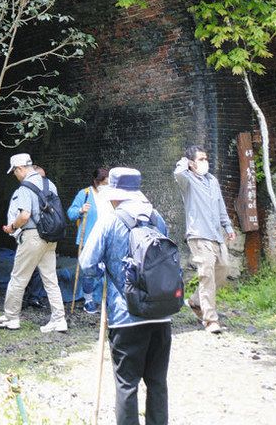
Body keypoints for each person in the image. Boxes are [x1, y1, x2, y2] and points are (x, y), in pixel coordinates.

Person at [79, 167, 173, 425]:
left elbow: (87, 264)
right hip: (161, 312)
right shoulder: (156, 218)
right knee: (157, 382)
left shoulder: (109, 222)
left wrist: (103, 272)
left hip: (126, 315)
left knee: (127, 384)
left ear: (115, 195)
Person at [0, 153, 67, 332]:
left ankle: (11, 318)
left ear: (20, 168)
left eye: (14, 171)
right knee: (50, 279)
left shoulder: (25, 187)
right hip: (50, 236)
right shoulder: (50, 184)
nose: (15, 175)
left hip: (33, 237)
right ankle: (59, 319)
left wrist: (12, 227)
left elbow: (25, 215)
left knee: (18, 277)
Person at [173, 145, 236, 333]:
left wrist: (228, 226)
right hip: (198, 235)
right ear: (191, 163)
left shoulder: (213, 181)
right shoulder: (188, 180)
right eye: (201, 159)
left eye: (206, 158)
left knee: (223, 268)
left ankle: (195, 301)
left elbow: (220, 205)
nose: (205, 162)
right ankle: (210, 320)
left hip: (216, 234)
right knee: (206, 274)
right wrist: (184, 162)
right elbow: (178, 173)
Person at [68, 167, 110, 313]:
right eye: (104, 183)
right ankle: (89, 300)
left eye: (108, 183)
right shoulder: (85, 194)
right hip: (89, 239)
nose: (106, 186)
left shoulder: (111, 195)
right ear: (96, 181)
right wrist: (80, 210)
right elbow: (71, 213)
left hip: (107, 238)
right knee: (89, 271)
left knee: (109, 269)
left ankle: (105, 298)